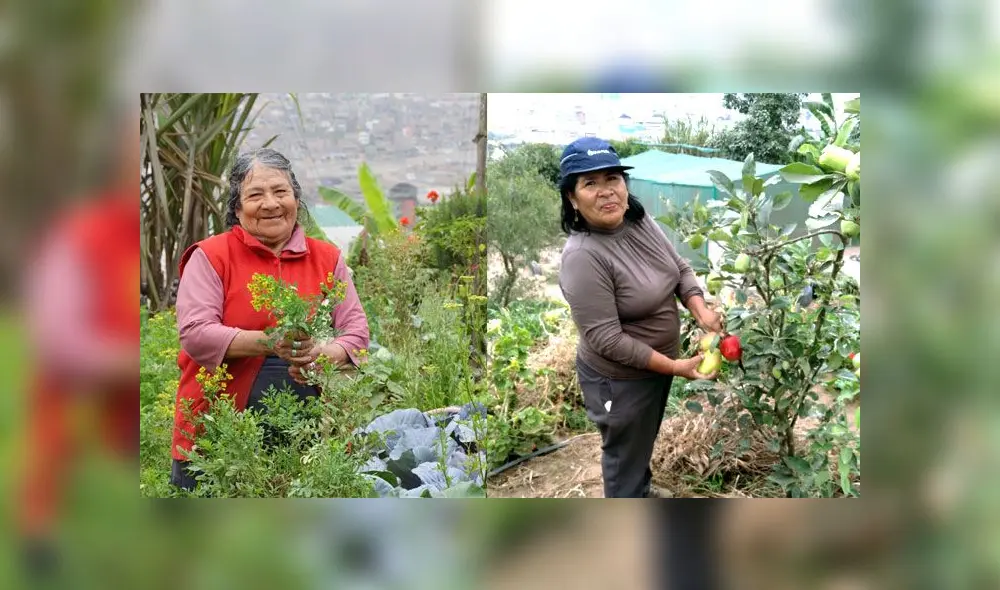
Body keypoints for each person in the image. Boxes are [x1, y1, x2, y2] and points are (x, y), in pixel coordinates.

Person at [170, 148, 369, 491]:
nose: (271, 203)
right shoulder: (211, 256)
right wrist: (271, 342)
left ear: (296, 199)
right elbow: (196, 334)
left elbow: (357, 333)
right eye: (255, 195)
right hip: (218, 437)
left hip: (310, 439)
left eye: (280, 191)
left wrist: (321, 354)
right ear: (237, 208)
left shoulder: (327, 258)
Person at [557, 137, 723, 498]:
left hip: (654, 369)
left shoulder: (637, 219)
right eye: (590, 183)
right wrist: (675, 367)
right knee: (623, 455)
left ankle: (640, 490)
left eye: (613, 178)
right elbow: (607, 339)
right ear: (572, 197)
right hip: (619, 381)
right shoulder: (583, 256)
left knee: (639, 442)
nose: (606, 191)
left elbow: (678, 268)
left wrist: (700, 310)